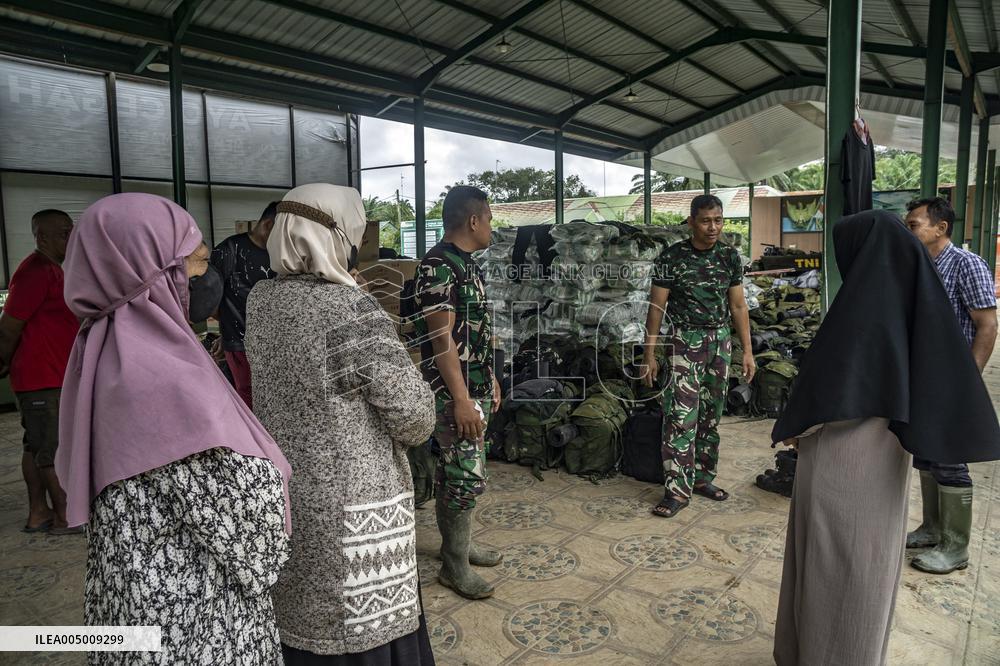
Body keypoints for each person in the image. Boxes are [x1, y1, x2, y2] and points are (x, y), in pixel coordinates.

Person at [56, 193, 293, 664]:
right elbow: (247, 525)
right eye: (199, 263)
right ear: (149, 271)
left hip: (131, 601)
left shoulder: (103, 353)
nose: (206, 279)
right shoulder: (165, 379)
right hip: (193, 623)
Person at [770, 210, 1000, 665]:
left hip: (845, 459)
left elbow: (830, 392)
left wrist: (800, 426)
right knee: (867, 561)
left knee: (836, 561)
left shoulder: (863, 312)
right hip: (886, 459)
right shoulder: (911, 303)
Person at [245, 183, 436, 665]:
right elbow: (414, 417)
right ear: (333, 238)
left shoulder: (261, 302)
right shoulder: (349, 308)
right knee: (362, 629)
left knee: (306, 619)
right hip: (357, 503)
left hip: (288, 491)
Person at [640, 194, 755, 518]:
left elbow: (737, 306)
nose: (713, 227)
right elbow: (656, 309)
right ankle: (677, 490)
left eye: (718, 220)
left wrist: (747, 352)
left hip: (719, 343)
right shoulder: (671, 258)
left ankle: (703, 478)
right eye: (706, 220)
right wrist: (649, 354)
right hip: (684, 344)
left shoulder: (729, 257)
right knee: (680, 417)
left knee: (710, 415)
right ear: (691, 222)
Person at [412, 185, 502, 600]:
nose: (491, 227)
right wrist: (463, 399)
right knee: (463, 476)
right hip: (452, 393)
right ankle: (454, 566)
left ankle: (460, 546)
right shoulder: (439, 266)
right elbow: (441, 340)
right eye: (489, 219)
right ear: (473, 220)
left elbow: (474, 332)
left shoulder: (466, 264)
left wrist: (490, 378)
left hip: (474, 383)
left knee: (466, 472)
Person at [904, 197, 997, 574]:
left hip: (951, 379)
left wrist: (966, 382)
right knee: (927, 452)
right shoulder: (920, 264)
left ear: (940, 228)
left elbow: (987, 326)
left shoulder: (966, 265)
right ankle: (932, 528)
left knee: (950, 458)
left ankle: (956, 547)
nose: (908, 230)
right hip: (923, 376)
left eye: (914, 224)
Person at [0, 210, 79, 534]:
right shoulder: (34, 272)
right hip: (40, 379)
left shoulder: (53, 270)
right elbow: (9, 326)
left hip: (52, 375)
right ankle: (64, 517)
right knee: (52, 449)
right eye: (63, 233)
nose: (70, 237)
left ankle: (38, 513)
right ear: (42, 237)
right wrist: (2, 360)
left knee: (36, 446)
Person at [210, 202, 279, 408]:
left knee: (270, 398)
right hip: (240, 343)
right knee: (249, 397)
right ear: (267, 225)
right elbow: (211, 299)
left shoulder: (281, 254)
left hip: (273, 343)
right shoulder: (229, 250)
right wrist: (228, 327)